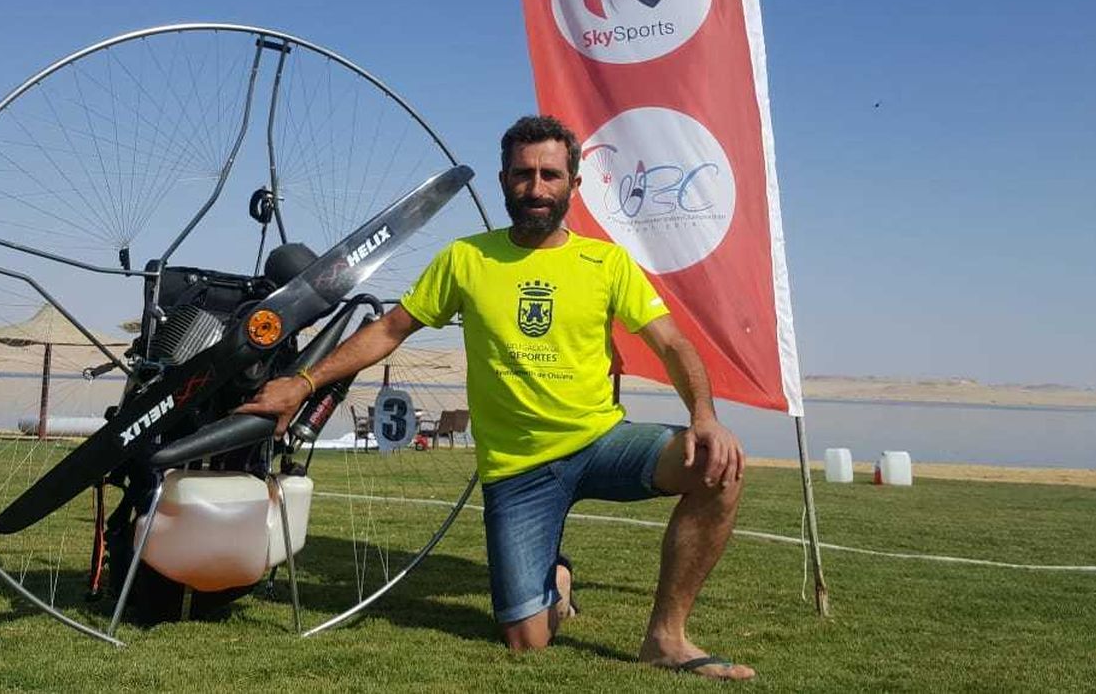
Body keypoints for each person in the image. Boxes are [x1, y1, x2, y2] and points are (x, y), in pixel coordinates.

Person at [240, 115, 754, 681]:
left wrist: (703, 417)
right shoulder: (466, 258)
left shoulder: (607, 264)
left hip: (599, 440)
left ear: (573, 185)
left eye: (550, 175)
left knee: (717, 467)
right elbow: (390, 331)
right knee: (526, 643)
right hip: (518, 470)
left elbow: (672, 341)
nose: (537, 188)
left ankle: (666, 637)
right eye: (523, 174)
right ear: (503, 180)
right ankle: (555, 580)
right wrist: (303, 382)